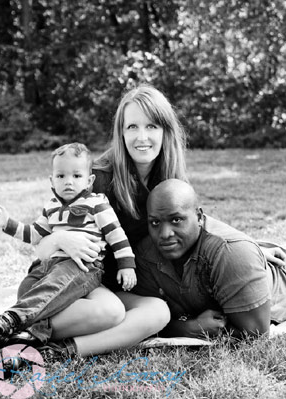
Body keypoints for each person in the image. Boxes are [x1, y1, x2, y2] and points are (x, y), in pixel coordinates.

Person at [22, 85, 286, 361]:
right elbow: (42, 244)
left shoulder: (167, 174)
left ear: (165, 131)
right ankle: (28, 322)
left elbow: (191, 218)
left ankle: (64, 351)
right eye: (132, 127)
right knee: (112, 313)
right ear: (121, 133)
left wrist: (248, 246)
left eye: (151, 126)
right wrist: (60, 239)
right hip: (65, 284)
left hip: (113, 285)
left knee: (157, 311)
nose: (142, 137)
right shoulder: (97, 179)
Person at [0, 143, 137, 350]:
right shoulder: (51, 206)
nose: (68, 182)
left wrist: (126, 265)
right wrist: (7, 223)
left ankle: (12, 318)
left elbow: (116, 234)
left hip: (82, 265)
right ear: (52, 180)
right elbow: (34, 235)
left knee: (54, 285)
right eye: (61, 176)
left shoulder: (96, 204)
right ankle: (31, 335)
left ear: (89, 180)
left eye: (76, 176)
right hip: (48, 264)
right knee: (27, 286)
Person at [131, 179, 286, 338]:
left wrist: (183, 326)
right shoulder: (146, 252)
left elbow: (255, 333)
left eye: (176, 220)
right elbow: (146, 319)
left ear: (199, 216)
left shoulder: (229, 253)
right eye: (155, 222)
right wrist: (187, 328)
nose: (164, 234)